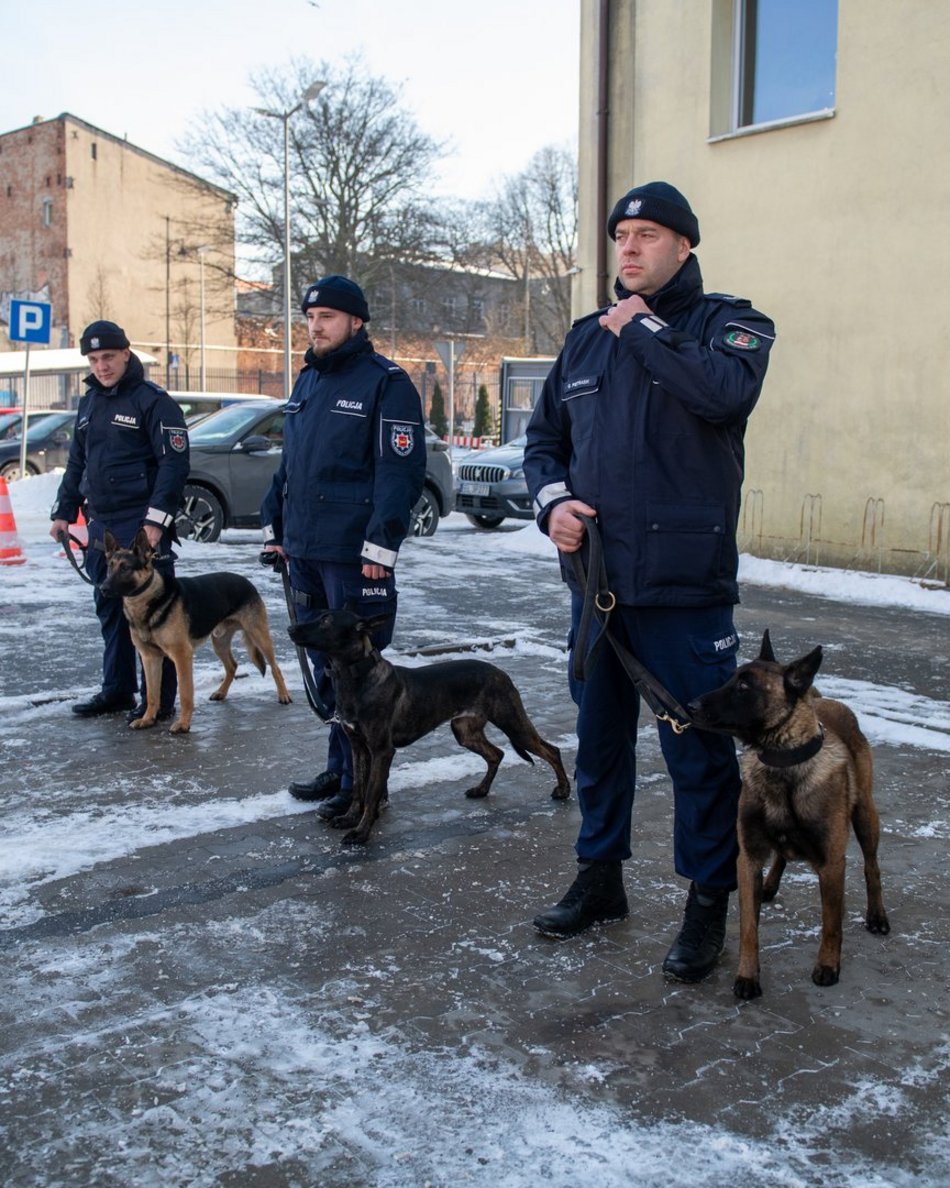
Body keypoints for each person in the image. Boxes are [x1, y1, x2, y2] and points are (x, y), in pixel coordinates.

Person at [523, 181, 775, 982]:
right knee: (599, 744)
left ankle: (707, 902)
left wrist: (641, 326)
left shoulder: (730, 327)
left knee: (698, 753)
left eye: (648, 235)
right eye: (621, 236)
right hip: (597, 582)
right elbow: (543, 441)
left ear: (684, 246)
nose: (629, 248)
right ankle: (600, 878)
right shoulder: (584, 340)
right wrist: (552, 503)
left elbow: (722, 394)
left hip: (684, 587)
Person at [261, 275, 426, 820]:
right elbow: (291, 465)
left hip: (354, 555)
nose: (316, 327)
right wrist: (274, 523)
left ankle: (364, 788)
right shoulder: (307, 380)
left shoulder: (386, 383)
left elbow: (400, 471)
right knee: (326, 668)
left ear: (356, 322)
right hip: (305, 549)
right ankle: (341, 769)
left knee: (360, 672)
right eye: (310, 318)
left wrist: (381, 545)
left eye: (327, 317)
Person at [50, 320, 189, 720]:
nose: (102, 366)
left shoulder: (153, 401)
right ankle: (118, 689)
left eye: (108, 357)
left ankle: (158, 703)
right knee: (111, 611)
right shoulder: (90, 402)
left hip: (141, 527)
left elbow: (174, 465)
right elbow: (77, 462)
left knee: (156, 617)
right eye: (94, 359)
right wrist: (63, 512)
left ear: (127, 354)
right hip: (102, 528)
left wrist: (156, 522)